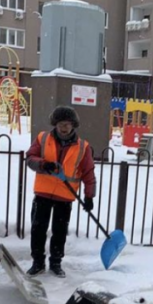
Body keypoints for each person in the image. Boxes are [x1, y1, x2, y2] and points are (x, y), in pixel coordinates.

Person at [25, 106, 97, 278]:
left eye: (67, 124)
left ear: (73, 125)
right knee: (38, 229)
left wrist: (89, 196)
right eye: (60, 124)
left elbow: (88, 173)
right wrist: (44, 164)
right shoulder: (43, 139)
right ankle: (38, 262)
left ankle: (56, 262)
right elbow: (30, 158)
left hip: (65, 196)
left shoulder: (82, 147)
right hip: (42, 193)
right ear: (55, 124)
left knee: (59, 231)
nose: (64, 127)